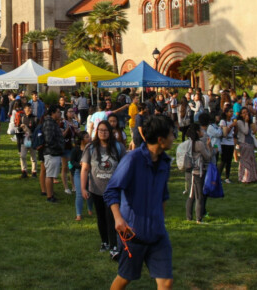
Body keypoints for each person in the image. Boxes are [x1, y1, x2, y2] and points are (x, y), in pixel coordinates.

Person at [105, 114, 175, 289]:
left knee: (166, 282)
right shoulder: (132, 160)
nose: (174, 138)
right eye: (172, 134)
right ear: (160, 139)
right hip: (133, 234)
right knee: (124, 278)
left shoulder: (165, 162)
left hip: (158, 235)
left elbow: (163, 194)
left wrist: (161, 220)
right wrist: (118, 218)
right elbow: (111, 190)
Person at [82, 121, 125, 261]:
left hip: (113, 190)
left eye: (106, 130)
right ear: (96, 131)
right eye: (100, 130)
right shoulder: (91, 148)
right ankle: (104, 241)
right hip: (96, 189)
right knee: (101, 217)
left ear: (111, 132)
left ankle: (114, 245)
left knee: (111, 217)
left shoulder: (118, 147)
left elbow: (125, 168)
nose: (103, 133)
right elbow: (85, 168)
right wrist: (83, 187)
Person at [185, 123, 211, 224]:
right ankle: (199, 219)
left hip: (190, 171)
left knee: (191, 195)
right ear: (197, 132)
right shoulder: (199, 144)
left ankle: (189, 217)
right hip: (198, 172)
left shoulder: (189, 142)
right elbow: (207, 156)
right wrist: (209, 147)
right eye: (201, 130)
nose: (202, 132)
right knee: (199, 196)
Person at [42, 106, 65, 203]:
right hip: (51, 152)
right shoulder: (49, 123)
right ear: (52, 113)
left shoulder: (52, 122)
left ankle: (51, 193)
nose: (59, 114)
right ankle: (49, 196)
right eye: (58, 112)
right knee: (50, 175)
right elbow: (48, 139)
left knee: (51, 175)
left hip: (54, 152)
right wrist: (58, 146)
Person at [236, 106, 257, 183]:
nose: (245, 114)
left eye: (247, 112)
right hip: (243, 143)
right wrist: (245, 121)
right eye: (243, 113)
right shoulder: (239, 122)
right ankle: (245, 177)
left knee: (252, 160)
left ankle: (253, 177)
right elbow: (245, 131)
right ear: (241, 114)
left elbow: (255, 130)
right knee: (245, 161)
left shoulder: (249, 122)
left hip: (250, 142)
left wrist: (251, 120)